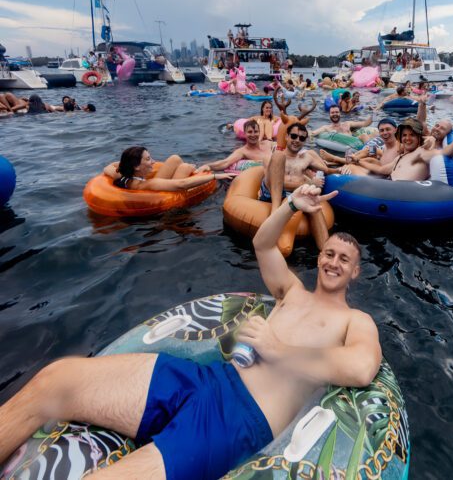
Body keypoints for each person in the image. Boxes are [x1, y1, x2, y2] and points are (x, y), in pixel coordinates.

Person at [0, 184, 381, 479]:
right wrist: (292, 205)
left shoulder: (355, 321)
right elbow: (263, 243)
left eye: (344, 259)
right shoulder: (292, 291)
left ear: (355, 272)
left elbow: (362, 367)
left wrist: (277, 348)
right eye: (328, 254)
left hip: (241, 418)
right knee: (54, 380)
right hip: (204, 378)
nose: (333, 262)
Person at [358, 118, 453, 181]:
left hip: (399, 193)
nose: (407, 139)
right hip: (388, 183)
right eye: (404, 135)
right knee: (353, 167)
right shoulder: (401, 156)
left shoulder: (421, 153)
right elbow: (382, 170)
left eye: (412, 135)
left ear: (418, 137)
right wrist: (358, 161)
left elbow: (444, 153)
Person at [103, 147, 234, 192]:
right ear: (136, 167)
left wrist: (124, 163)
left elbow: (108, 167)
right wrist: (215, 176)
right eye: (148, 159)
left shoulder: (120, 176)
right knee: (185, 167)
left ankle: (194, 169)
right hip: (166, 196)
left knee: (174, 158)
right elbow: (181, 185)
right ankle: (198, 169)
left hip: (135, 172)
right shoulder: (145, 184)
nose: (154, 162)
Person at [323, 118, 400, 175]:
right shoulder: (386, 146)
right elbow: (384, 155)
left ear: (396, 130)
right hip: (378, 166)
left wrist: (358, 160)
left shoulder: (400, 146)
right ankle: (337, 164)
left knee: (353, 166)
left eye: (388, 129)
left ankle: (336, 161)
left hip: (384, 176)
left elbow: (384, 169)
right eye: (382, 130)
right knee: (369, 155)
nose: (385, 133)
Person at [205, 119, 273, 171]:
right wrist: (208, 166)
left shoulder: (267, 143)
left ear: (259, 132)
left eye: (255, 132)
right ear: (245, 134)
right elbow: (225, 162)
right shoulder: (242, 151)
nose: (253, 135)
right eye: (249, 132)